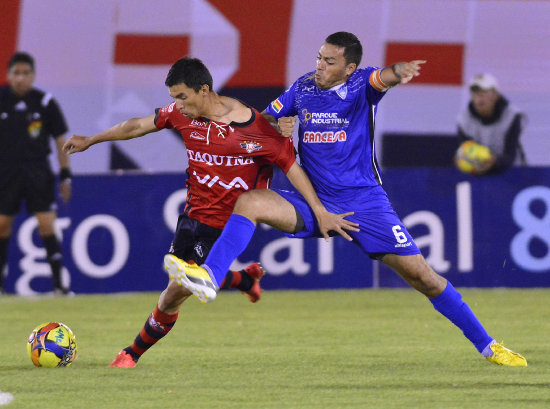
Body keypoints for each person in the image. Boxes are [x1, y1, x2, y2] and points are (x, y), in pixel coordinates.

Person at [166, 32, 527, 367]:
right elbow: (261, 123)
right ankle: (209, 277)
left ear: (349, 68)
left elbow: (383, 77)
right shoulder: (303, 88)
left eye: (329, 61)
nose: (320, 66)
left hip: (365, 204)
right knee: (251, 202)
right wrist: (279, 127)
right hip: (313, 199)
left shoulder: (361, 85)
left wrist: (398, 71)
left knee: (424, 278)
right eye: (319, 58)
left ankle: (487, 345)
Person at [63, 57, 356, 368]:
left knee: (173, 293)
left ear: (204, 90)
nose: (177, 104)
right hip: (192, 215)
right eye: (174, 98)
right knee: (183, 278)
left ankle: (130, 354)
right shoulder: (182, 115)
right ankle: (243, 279)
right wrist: (92, 140)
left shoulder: (254, 129)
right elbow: (137, 126)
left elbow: (293, 169)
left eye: (182, 96)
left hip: (226, 225)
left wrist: (319, 211)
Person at [0, 52, 72, 295]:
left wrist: (65, 174)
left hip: (38, 171)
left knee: (46, 225)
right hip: (5, 172)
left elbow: (60, 139)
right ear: (8, 75)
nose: (20, 78)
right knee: (2, 225)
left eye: (25, 73)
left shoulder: (45, 102)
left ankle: (59, 287)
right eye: (16, 73)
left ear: (33, 75)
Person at [455, 73, 526, 175]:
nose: (479, 96)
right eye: (475, 92)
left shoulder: (512, 116)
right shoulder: (463, 120)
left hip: (512, 173)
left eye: (484, 91)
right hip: (476, 174)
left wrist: (494, 161)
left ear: (495, 95)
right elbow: (465, 150)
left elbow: (511, 154)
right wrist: (463, 160)